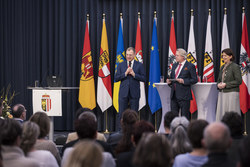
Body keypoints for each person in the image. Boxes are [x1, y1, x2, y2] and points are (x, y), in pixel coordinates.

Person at [115, 47, 146, 127]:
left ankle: (134, 131)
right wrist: (125, 73)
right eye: (127, 55)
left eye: (130, 55)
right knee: (121, 114)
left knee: (134, 115)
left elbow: (144, 78)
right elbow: (116, 78)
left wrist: (134, 74)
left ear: (134, 55)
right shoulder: (121, 65)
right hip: (123, 93)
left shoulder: (139, 65)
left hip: (134, 93)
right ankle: (121, 132)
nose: (128, 56)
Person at [167, 48, 198, 120]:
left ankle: (185, 131)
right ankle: (175, 130)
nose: (175, 57)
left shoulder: (190, 66)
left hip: (184, 96)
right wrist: (169, 82)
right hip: (174, 95)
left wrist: (183, 81)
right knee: (174, 117)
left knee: (184, 117)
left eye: (177, 55)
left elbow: (194, 80)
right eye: (175, 55)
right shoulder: (174, 65)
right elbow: (172, 77)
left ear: (183, 56)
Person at [216, 48, 242, 121]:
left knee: (232, 114)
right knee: (222, 113)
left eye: (225, 55)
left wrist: (226, 84)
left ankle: (233, 130)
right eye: (223, 56)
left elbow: (239, 81)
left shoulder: (235, 66)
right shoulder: (222, 67)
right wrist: (218, 85)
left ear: (230, 56)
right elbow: (219, 80)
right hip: (222, 93)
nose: (223, 57)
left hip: (232, 93)